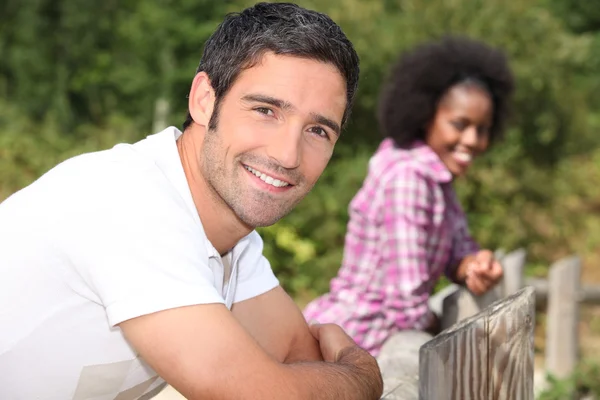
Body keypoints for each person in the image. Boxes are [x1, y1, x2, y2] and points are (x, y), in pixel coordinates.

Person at [0, 3, 384, 399]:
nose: (288, 155)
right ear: (203, 99)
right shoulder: (128, 199)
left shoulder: (233, 242)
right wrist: (362, 371)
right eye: (265, 110)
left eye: (318, 130)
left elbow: (299, 362)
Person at [303, 36, 515, 356]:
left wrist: (475, 266)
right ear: (424, 114)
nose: (472, 139)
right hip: (355, 342)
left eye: (482, 128)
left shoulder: (437, 180)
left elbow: (459, 249)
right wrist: (439, 325)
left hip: (374, 341)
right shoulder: (408, 179)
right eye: (460, 124)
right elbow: (406, 301)